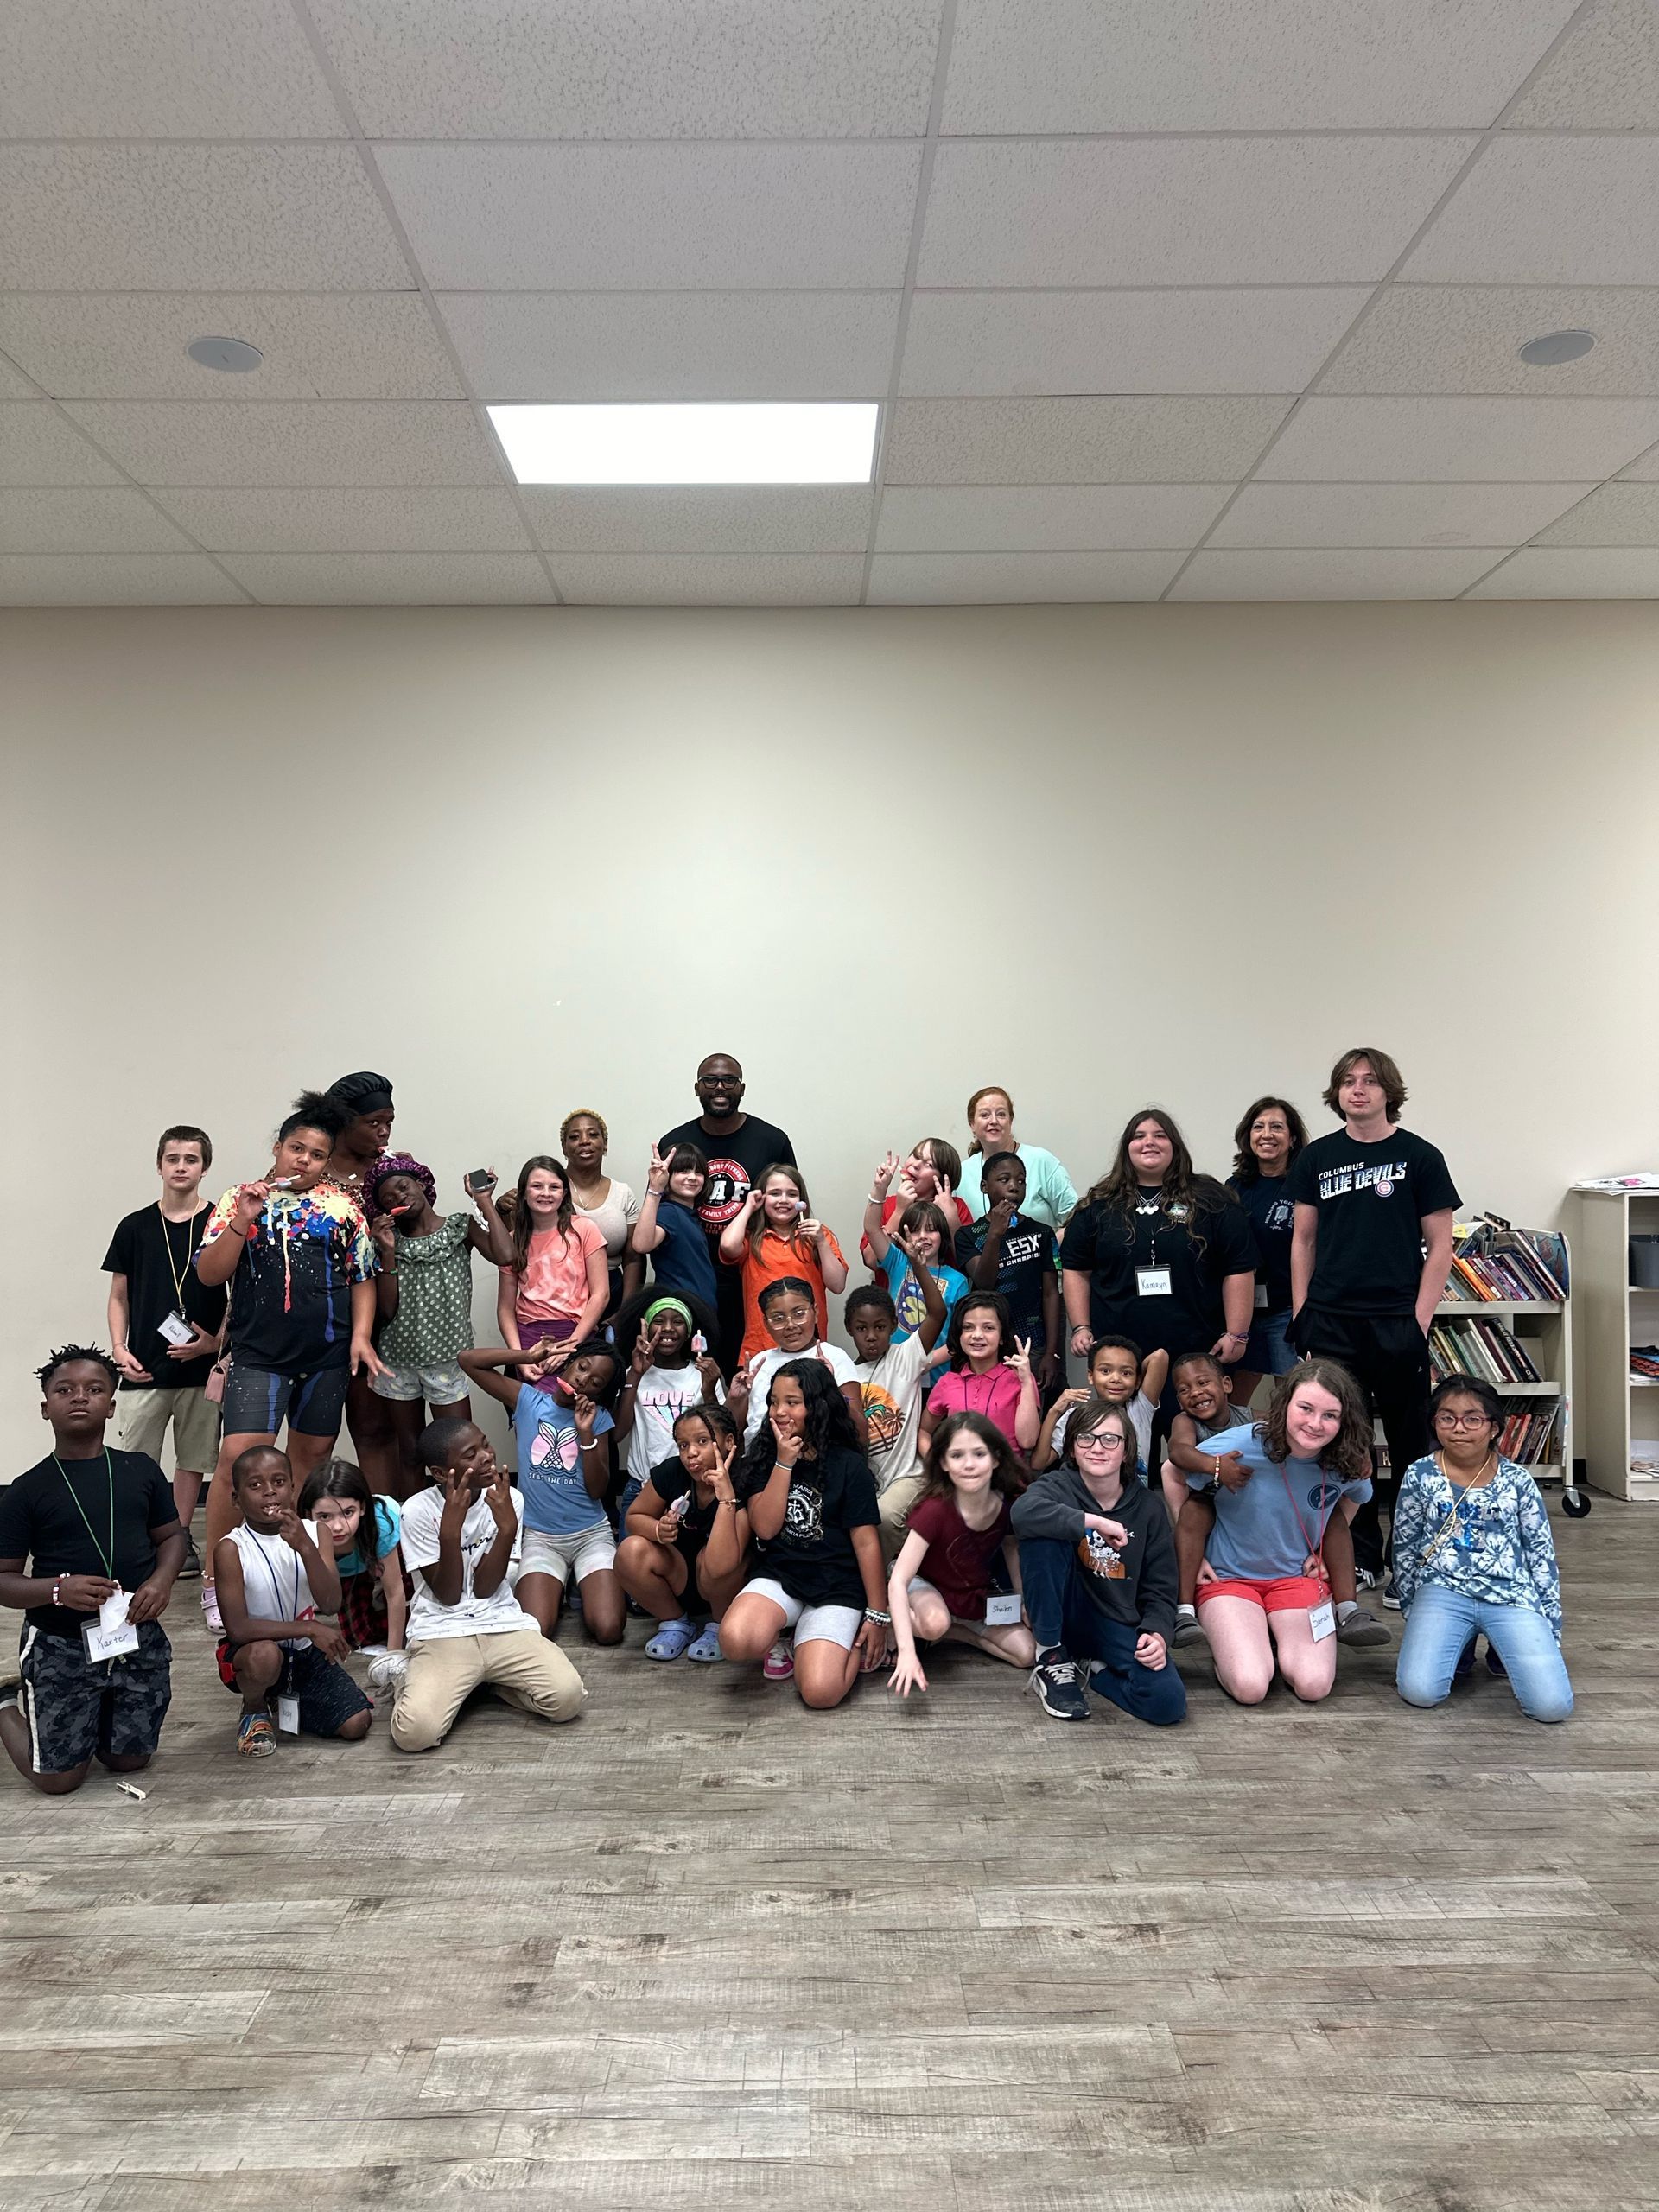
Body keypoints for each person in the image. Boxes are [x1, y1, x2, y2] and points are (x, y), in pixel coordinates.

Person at [194, 1091, 382, 1636]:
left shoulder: (343, 1206)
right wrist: (241, 1223)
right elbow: (210, 1275)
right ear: (277, 1147)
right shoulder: (238, 1198)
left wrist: (361, 1338)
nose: (304, 1159)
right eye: (295, 1148)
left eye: (317, 1154)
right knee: (236, 1463)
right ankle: (215, 1580)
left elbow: (362, 1276)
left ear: (327, 1161)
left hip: (325, 1357)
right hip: (258, 1357)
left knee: (305, 1469)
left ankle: (298, 1574)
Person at [1288, 1048, 1459, 1586]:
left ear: (1389, 1092)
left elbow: (1440, 1245)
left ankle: (1409, 1560)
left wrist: (1420, 1320)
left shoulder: (1421, 1156)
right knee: (1343, 1443)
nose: (1357, 1090)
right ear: (1336, 1094)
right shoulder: (1316, 1157)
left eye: (1369, 1081)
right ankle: (1360, 1559)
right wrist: (1303, 1315)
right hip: (1333, 1320)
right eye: (1347, 1081)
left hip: (1396, 1321)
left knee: (1410, 1443)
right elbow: (1304, 1240)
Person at [0, 1346, 184, 1796]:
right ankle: (5, 1703)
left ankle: (93, 1714)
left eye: (94, 1389)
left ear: (112, 1405)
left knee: (129, 1760)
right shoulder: (25, 1491)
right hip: (61, 1643)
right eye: (65, 1390)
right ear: (46, 1408)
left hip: (133, 1632)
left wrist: (161, 1581)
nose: (79, 1397)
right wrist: (57, 1590)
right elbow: (4, 1580)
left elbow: (173, 1538)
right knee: (59, 1781)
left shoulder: (139, 1470)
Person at [390, 1417, 587, 1752]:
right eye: (470, 1454)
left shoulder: (508, 1499)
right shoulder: (417, 1510)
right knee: (414, 1735)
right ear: (440, 1473)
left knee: (567, 1700)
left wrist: (507, 1529)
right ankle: (415, 1680)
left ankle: (487, 1686)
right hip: (442, 1631)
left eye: (485, 1444)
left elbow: (485, 1589)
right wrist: (449, 1533)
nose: (486, 1456)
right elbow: (449, 1596)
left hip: (503, 1624)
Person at [1166, 1351, 1387, 1649]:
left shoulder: (1255, 1418)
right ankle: (1184, 1611)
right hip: (1216, 1505)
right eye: (1184, 1390)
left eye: (1204, 1382)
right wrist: (1216, 1468)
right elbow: (1174, 1463)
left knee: (1331, 1516)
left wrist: (1318, 1544)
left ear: (1227, 1384)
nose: (1196, 1393)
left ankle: (1349, 1609)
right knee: (1194, 1512)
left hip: (1274, 1506)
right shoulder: (1189, 1423)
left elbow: (1352, 1494)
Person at [1061, 1109, 1257, 1436]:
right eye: (1139, 1136)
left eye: (1159, 1135)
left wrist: (1237, 1332)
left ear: (1175, 1145)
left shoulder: (1212, 1200)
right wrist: (1081, 1326)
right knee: (1120, 1437)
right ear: (1127, 1147)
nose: (1148, 1142)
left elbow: (1238, 1269)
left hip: (1196, 1344)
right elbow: (1075, 1269)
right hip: (1121, 1350)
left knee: (1199, 1438)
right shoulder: (1099, 1204)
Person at [1393, 1376, 1572, 1724]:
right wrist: (1413, 1609)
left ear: (1493, 1428)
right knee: (1420, 1691)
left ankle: (1497, 1649)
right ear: (1435, 1423)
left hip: (1510, 1594)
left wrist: (1550, 1626)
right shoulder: (1419, 1474)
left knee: (1551, 1707)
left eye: (1473, 1418)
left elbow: (1541, 1556)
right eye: (1447, 1417)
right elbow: (1405, 1545)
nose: (1459, 1428)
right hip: (1442, 1591)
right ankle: (1457, 1646)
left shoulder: (1518, 1481)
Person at [719, 1360, 892, 1705]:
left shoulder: (848, 1464)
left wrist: (877, 1615)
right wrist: (784, 1463)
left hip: (837, 1586)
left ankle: (828, 1640)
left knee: (820, 1693)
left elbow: (866, 1542)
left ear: (816, 1406)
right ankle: (789, 1633)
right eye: (773, 1402)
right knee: (736, 1640)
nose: (780, 1412)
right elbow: (765, 1529)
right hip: (782, 1576)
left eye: (792, 1402)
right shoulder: (764, 1456)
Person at [102, 1123, 226, 1579]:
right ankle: (138, 1540)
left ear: (204, 1168)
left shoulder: (220, 1223)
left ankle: (180, 1539)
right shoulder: (134, 1226)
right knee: (137, 1463)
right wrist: (118, 1347)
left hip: (201, 1369)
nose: (181, 1167)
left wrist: (216, 1343)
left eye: (191, 1159)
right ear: (159, 1165)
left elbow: (240, 1295)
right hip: (143, 1368)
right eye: (173, 1159)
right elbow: (119, 1295)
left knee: (193, 1463)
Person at [1013, 1399, 1185, 1726]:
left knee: (1167, 1702)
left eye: (1110, 1439)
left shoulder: (1148, 1508)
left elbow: (1161, 1588)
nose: (1097, 1448)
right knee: (1042, 1533)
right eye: (1085, 1438)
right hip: (1062, 1617)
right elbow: (1021, 1514)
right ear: (1073, 1447)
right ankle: (1050, 1657)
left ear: (1126, 1449)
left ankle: (1094, 1670)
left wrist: (1158, 1634)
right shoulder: (1057, 1486)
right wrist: (1094, 1522)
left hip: (1115, 1620)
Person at [458, 1338, 625, 1644]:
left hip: (590, 1535)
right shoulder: (528, 1400)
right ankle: (560, 1584)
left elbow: (598, 1489)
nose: (583, 1380)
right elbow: (467, 1360)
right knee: (537, 1630)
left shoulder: (598, 1419)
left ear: (600, 1393)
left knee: (609, 1629)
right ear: (568, 1364)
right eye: (582, 1367)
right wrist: (526, 1355)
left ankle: (577, 1583)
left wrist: (585, 1432)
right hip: (540, 1538)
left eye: (595, 1381)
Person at [211, 1446, 372, 1759]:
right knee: (265, 1657)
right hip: (253, 1651)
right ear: (236, 1499)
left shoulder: (316, 1532)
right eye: (255, 1485)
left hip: (302, 1653)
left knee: (357, 1723)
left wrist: (304, 1547)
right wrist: (309, 1628)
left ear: (293, 1488)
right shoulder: (231, 1548)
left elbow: (330, 1602)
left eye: (279, 1481)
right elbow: (239, 1629)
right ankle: (255, 1706)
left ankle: (287, 1701)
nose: (269, 1491)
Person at [367, 1163, 512, 1497]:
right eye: (389, 1198)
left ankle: (462, 1530)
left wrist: (484, 1200)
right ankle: (413, 1532)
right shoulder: (388, 1242)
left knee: (460, 1453)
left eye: (403, 1186)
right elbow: (387, 1310)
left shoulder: (460, 1227)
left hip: (449, 1360)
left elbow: (505, 1254)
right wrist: (387, 1253)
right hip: (398, 1363)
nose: (399, 1196)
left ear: (421, 1184)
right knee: (411, 1452)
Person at [321, 1072, 429, 1501]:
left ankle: (399, 1538)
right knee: (343, 1428)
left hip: (388, 1311)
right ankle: (355, 1535)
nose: (384, 1131)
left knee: (391, 1427)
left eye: (389, 1121)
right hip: (330, 1315)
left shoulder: (389, 1173)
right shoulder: (313, 1170)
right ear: (344, 1122)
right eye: (374, 1122)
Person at [659, 1054, 797, 1372]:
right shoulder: (675, 1143)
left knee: (754, 1376)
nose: (720, 1087)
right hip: (689, 1284)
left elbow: (790, 1206)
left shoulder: (772, 1141)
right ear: (697, 1088)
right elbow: (660, 1213)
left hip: (753, 1280)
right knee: (692, 1378)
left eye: (729, 1081)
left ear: (742, 1088)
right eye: (710, 1080)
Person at [887, 1412, 1036, 1694]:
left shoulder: (1006, 1504)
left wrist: (1024, 1601)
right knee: (934, 1623)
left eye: (979, 1454)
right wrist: (907, 1652)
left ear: (996, 1458)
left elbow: (1011, 1548)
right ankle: (899, 1620)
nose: (969, 1465)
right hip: (922, 1583)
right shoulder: (935, 1509)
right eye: (957, 1456)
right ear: (943, 1463)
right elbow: (898, 1580)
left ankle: (953, 1634)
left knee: (1026, 1653)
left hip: (970, 1593)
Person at [617, 1403, 750, 1662]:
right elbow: (633, 1518)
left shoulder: (744, 1479)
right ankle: (676, 1622)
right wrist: (658, 1529)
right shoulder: (672, 1471)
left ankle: (720, 1625)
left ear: (728, 1442)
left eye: (702, 1441)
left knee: (714, 1560)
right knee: (629, 1551)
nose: (691, 1453)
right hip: (681, 1575)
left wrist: (726, 1498)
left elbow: (722, 1564)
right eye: (683, 1445)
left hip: (724, 1582)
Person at [847, 1245, 949, 1555]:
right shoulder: (847, 1376)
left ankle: (893, 1579)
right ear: (850, 1330)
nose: (871, 1337)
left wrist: (918, 1267)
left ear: (893, 1325)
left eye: (879, 1327)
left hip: (908, 1475)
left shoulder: (906, 1358)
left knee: (887, 1517)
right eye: (862, 1329)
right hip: (870, 1478)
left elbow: (938, 1313)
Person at [719, 1163, 848, 1369]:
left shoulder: (818, 1235)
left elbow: (838, 1285)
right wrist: (749, 1206)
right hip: (761, 1347)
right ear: (762, 1198)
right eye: (775, 1193)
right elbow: (727, 1245)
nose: (783, 1200)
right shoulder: (751, 1238)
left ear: (801, 1201)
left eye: (792, 1194)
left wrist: (821, 1242)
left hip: (809, 1346)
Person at [954, 1151, 1063, 1395]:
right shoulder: (968, 1236)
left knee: (1034, 1412)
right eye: (1004, 1180)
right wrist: (994, 1233)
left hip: (1033, 1344)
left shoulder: (1043, 1234)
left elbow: (1051, 1294)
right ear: (984, 1186)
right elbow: (983, 1282)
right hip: (990, 1346)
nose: (1014, 1187)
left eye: (1021, 1180)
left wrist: (1051, 1352)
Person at [1226, 1096, 1308, 1409]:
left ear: (1292, 1138)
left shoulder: (1305, 1186)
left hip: (1288, 1311)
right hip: (1240, 1314)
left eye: (1277, 1127)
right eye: (1258, 1127)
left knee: (1293, 1402)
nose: (1267, 1134)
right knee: (1231, 1404)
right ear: (1248, 1136)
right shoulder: (1234, 1187)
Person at [296, 1458, 408, 1686]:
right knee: (358, 1637)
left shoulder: (381, 1524)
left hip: (392, 1558)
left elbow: (395, 1593)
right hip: (347, 1571)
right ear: (309, 1515)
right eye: (325, 1517)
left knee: (412, 1618)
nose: (337, 1527)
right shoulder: (302, 1535)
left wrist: (392, 1657)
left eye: (348, 1513)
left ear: (363, 1508)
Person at [610, 1290, 725, 1510]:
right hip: (641, 1488)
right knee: (633, 1545)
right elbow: (617, 1433)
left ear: (690, 1331)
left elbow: (719, 1435)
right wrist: (635, 1374)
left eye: (678, 1322)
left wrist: (709, 1390)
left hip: (691, 1486)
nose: (668, 1328)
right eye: (659, 1321)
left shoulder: (702, 1373)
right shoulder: (633, 1374)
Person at [497, 1156, 609, 1366]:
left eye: (554, 1187)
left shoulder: (584, 1229)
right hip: (528, 1338)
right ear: (523, 1193)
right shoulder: (512, 1241)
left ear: (564, 1193)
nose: (546, 1193)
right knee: (526, 1394)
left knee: (567, 1395)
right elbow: (505, 1307)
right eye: (537, 1186)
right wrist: (520, 1357)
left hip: (576, 1334)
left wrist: (568, 1347)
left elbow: (601, 1295)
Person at [730, 1278, 866, 1446]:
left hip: (817, 1460)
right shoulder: (759, 1362)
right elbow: (730, 1432)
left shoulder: (834, 1357)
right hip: (761, 1462)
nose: (790, 1325)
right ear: (766, 1323)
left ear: (815, 1312)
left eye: (799, 1314)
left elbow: (860, 1434)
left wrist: (831, 1389)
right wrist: (736, 1399)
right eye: (778, 1318)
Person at [861, 1152, 970, 1341]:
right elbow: (872, 1229)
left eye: (930, 1230)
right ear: (904, 1236)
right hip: (895, 1363)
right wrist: (879, 1189)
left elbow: (960, 1337)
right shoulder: (897, 1262)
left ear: (942, 1236)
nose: (922, 1237)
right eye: (914, 1231)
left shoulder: (958, 1280)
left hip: (939, 1368)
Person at [919, 1293, 1040, 1462]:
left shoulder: (1019, 1378)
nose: (977, 1335)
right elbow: (924, 1432)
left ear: (1002, 1338)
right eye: (968, 1327)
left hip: (1007, 1483)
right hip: (959, 1482)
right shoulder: (947, 1382)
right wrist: (938, 1465)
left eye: (988, 1328)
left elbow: (1028, 1441)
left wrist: (1026, 1382)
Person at [1031, 1336, 1169, 1478]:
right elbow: (1039, 1463)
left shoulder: (1139, 1410)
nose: (1115, 1379)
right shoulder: (1075, 1416)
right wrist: (1055, 1411)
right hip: (1086, 1497)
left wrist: (1136, 1373)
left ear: (1138, 1379)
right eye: (1105, 1371)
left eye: (1126, 1373)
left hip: (1134, 1497)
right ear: (1091, 1376)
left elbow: (1160, 1357)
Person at [956, 1087, 1077, 1227]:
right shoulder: (961, 1173)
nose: (994, 1121)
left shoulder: (1041, 1161)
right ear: (972, 1124)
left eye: (1001, 1114)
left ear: (1010, 1121)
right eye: (985, 1115)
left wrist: (1050, 1243)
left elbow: (1076, 1219)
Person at [562, 1109, 645, 1314]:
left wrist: (625, 1312)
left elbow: (633, 1257)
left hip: (612, 1295)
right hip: (558, 1295)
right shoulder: (548, 1189)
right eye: (574, 1137)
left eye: (593, 1134)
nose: (584, 1141)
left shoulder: (622, 1193)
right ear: (564, 1147)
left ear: (605, 1144)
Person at [631, 1142, 721, 1309]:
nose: (692, 1177)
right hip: (680, 1313)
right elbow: (641, 1244)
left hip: (701, 1312)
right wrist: (655, 1188)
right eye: (683, 1171)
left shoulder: (690, 1214)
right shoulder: (669, 1212)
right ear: (669, 1176)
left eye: (698, 1172)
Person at [858, 1138, 971, 1264]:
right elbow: (871, 1261)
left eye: (929, 1164)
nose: (916, 1165)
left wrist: (951, 1219)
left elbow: (968, 1266)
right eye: (916, 1156)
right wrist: (900, 1212)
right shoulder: (888, 1204)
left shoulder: (956, 1207)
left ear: (943, 1178)